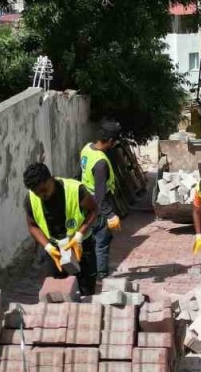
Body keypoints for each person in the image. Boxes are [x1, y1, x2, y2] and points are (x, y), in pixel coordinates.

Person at [23, 162, 99, 297]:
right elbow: (32, 226)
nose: (42, 195)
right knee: (54, 291)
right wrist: (47, 247)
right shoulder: (30, 199)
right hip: (55, 249)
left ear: (51, 179)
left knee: (86, 290)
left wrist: (79, 236)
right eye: (37, 192)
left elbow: (93, 210)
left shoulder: (76, 190)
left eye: (44, 189)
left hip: (80, 245)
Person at [80, 120, 123, 282]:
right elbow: (100, 196)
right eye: (115, 142)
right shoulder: (101, 164)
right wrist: (110, 215)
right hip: (97, 206)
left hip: (85, 200)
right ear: (110, 141)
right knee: (102, 241)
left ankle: (92, 270)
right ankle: (101, 276)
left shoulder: (87, 149)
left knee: (91, 239)